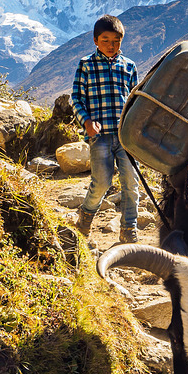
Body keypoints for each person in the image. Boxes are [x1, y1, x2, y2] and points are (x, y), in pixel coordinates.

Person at [71, 14, 139, 242]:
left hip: (126, 136)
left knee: (131, 183)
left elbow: (135, 100)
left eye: (116, 41)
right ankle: (85, 218)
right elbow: (76, 99)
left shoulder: (129, 66)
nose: (111, 46)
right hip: (99, 137)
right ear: (95, 40)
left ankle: (129, 230)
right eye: (105, 40)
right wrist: (87, 122)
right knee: (101, 183)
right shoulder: (86, 65)